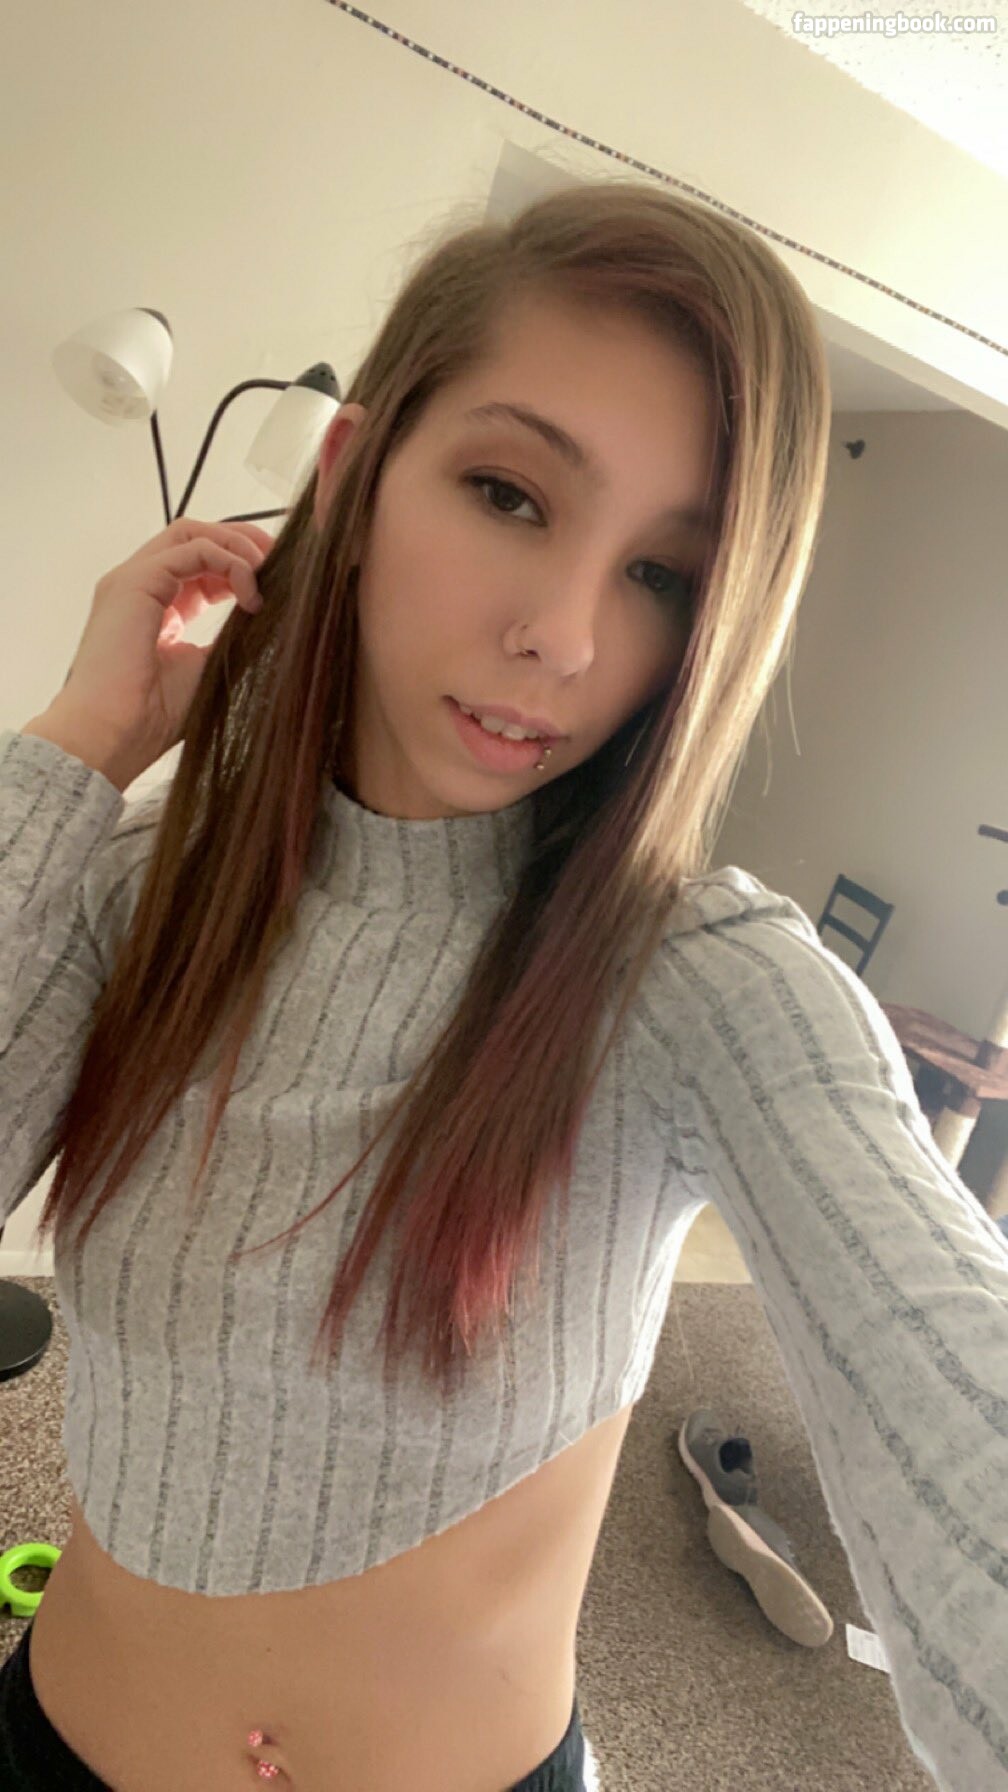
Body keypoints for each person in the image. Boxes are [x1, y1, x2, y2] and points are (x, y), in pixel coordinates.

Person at [0, 178, 1004, 1792]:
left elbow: (958, 1389)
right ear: (353, 476)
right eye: (509, 494)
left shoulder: (698, 981)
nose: (565, 637)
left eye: (663, 575)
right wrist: (76, 749)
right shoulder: (137, 887)